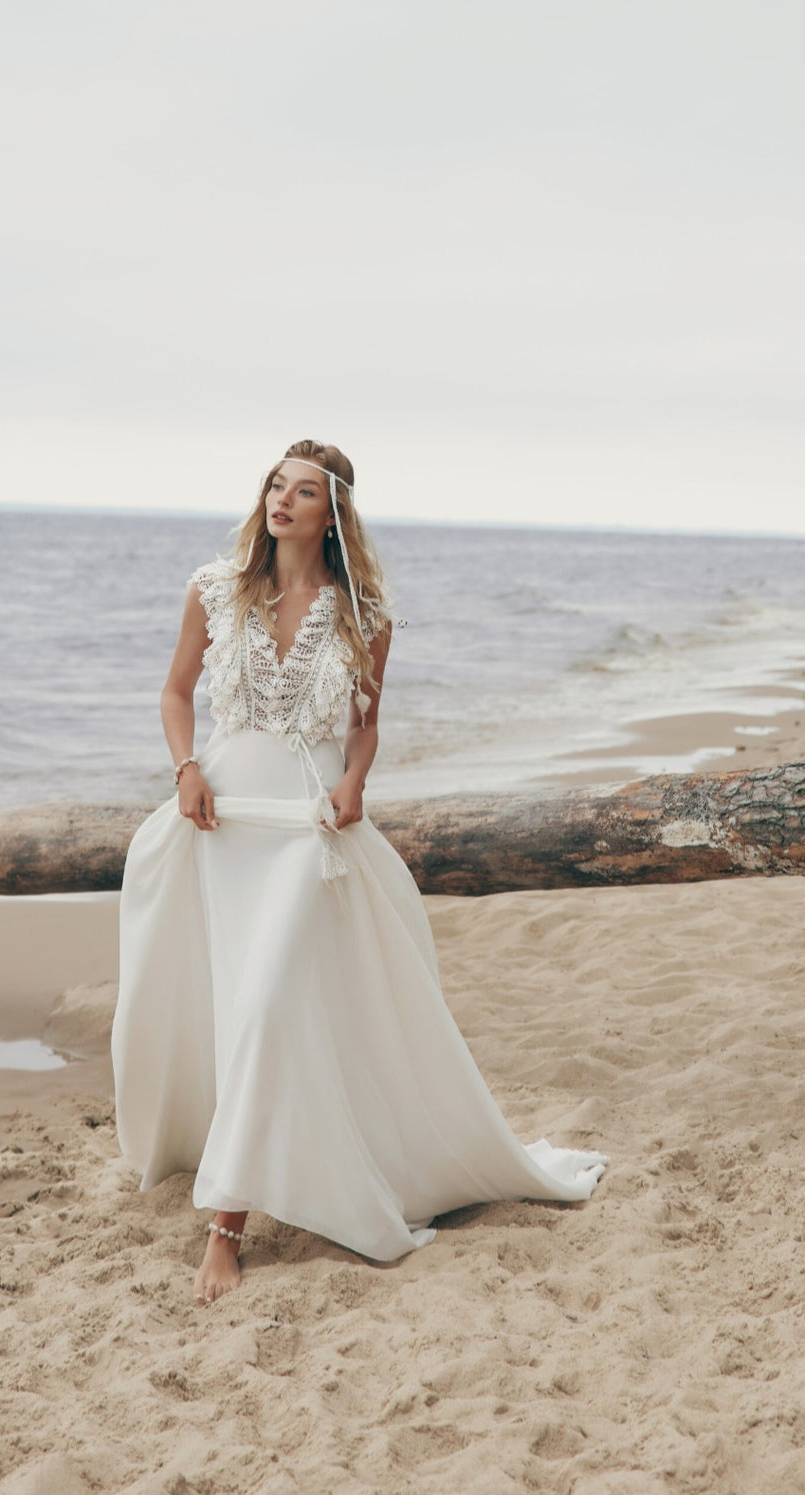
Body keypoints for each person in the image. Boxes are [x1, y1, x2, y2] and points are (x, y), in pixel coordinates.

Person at [111, 439, 608, 1306]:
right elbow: (175, 691)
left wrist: (353, 782)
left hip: (307, 830)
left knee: (265, 1005)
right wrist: (185, 768)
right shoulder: (214, 590)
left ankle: (225, 1229)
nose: (283, 500)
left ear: (333, 513)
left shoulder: (363, 614)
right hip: (224, 822)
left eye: (304, 492)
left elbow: (365, 724)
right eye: (276, 484)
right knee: (235, 1009)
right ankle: (241, 1154)